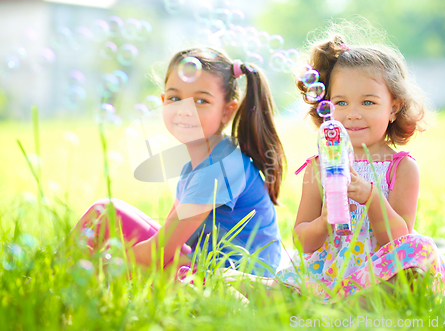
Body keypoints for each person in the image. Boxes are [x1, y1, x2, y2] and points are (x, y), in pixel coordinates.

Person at [224, 21, 445, 300]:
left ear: (394, 107)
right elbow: (302, 241)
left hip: (377, 275)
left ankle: (338, 307)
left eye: (368, 102)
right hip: (327, 274)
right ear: (327, 107)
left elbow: (398, 239)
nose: (352, 113)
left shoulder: (401, 168)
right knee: (248, 285)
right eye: (341, 103)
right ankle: (321, 304)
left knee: (420, 252)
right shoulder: (319, 167)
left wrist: (372, 197)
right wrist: (323, 222)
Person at [72, 47, 285, 277]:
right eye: (175, 98)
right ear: (163, 102)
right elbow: (168, 237)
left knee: (106, 215)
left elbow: (159, 252)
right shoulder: (198, 163)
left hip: (230, 287)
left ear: (226, 111)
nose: (185, 110)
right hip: (206, 271)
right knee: (108, 212)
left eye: (201, 101)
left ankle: (58, 279)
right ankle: (62, 277)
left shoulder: (219, 168)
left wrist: (111, 261)